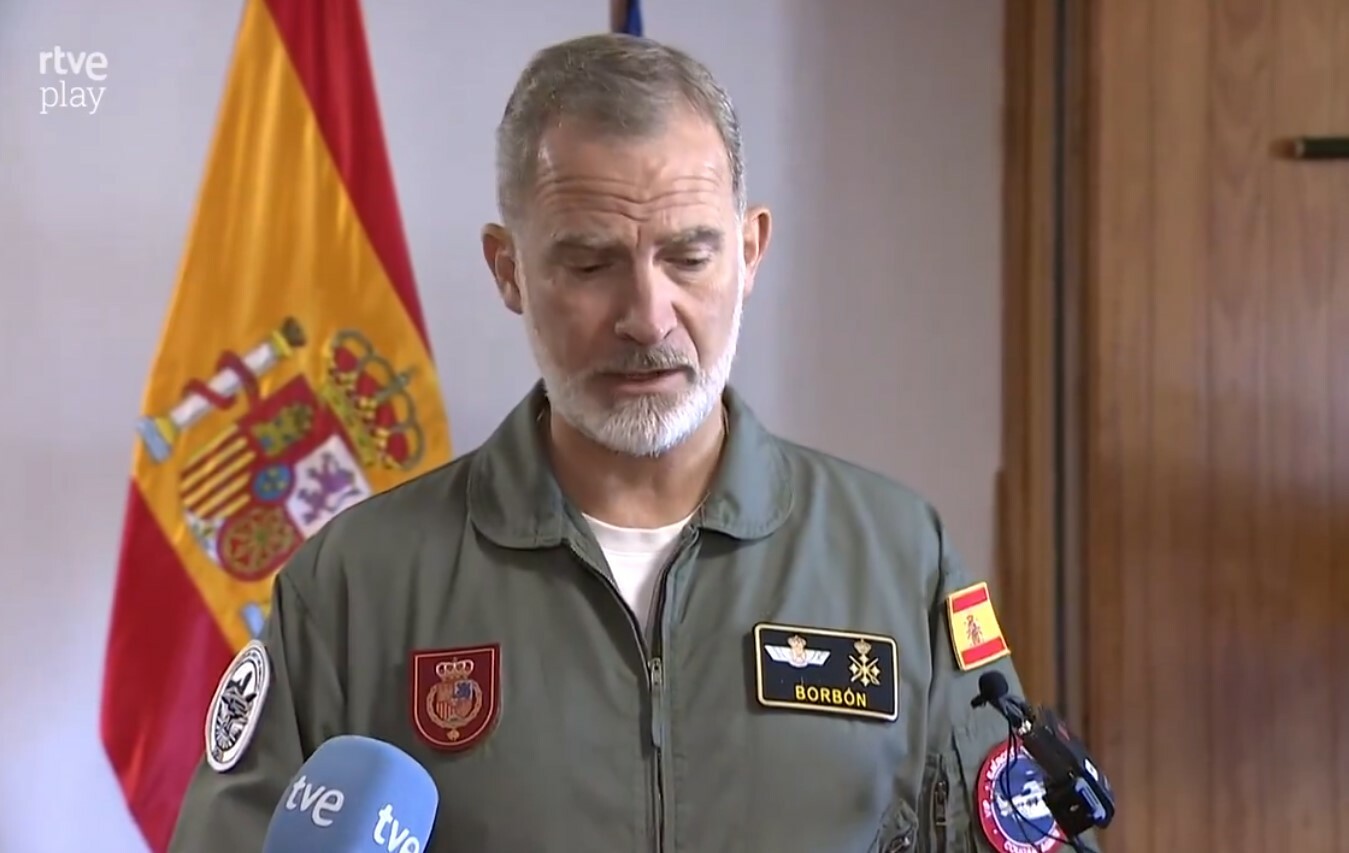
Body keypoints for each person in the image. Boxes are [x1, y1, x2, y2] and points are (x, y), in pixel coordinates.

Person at [169, 32, 1089, 853]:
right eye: (589, 262)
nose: (648, 316)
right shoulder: (354, 587)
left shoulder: (898, 559)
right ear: (508, 269)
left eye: (688, 256)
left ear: (750, 251)